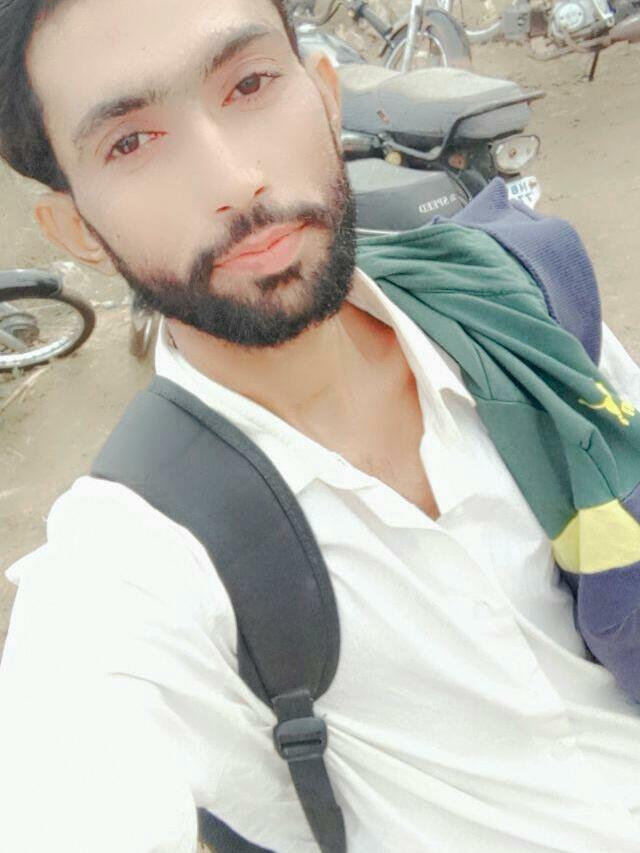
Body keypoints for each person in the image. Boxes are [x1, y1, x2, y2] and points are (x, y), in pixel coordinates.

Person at [0, 0, 639, 851]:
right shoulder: (128, 569)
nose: (234, 180)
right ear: (75, 227)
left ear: (327, 94)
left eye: (250, 85)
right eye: (130, 141)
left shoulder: (514, 292)